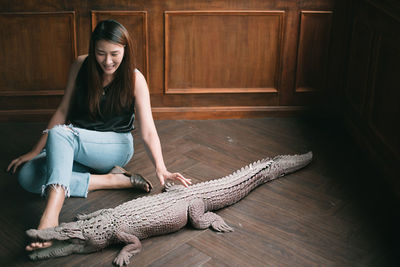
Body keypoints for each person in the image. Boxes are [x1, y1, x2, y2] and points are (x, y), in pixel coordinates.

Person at [6, 20, 191, 251]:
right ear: (93, 49)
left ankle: (50, 219)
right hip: (77, 143)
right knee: (27, 177)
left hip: (115, 146)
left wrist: (161, 167)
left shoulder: (135, 79)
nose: (108, 61)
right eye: (101, 53)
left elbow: (148, 130)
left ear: (125, 49)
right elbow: (63, 110)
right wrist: (34, 152)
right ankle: (111, 180)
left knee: (60, 135)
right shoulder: (80, 65)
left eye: (114, 53)